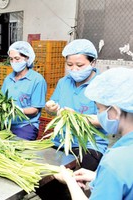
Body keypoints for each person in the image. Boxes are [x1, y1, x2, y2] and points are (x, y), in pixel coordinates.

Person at [55, 67, 133, 200]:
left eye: (99, 109)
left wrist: (69, 180)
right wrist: (97, 177)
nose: (99, 114)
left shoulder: (115, 161)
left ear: (115, 111)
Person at [44, 39, 108, 170]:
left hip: (89, 145)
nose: (74, 69)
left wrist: (77, 117)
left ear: (93, 62)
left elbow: (107, 120)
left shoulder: (102, 85)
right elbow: (53, 111)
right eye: (70, 64)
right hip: (60, 141)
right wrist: (50, 108)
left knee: (78, 178)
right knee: (46, 179)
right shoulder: (63, 82)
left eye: (79, 65)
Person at [1, 41, 47, 141]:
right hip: (7, 123)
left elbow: (35, 110)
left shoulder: (37, 80)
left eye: (17, 59)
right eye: (11, 59)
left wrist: (18, 111)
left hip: (26, 125)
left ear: (27, 58)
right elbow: (2, 101)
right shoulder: (8, 79)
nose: (14, 62)